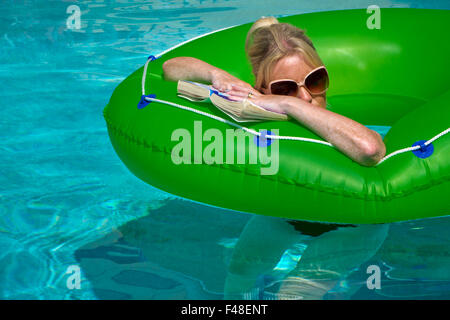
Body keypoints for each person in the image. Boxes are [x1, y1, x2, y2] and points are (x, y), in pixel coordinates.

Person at [163, 17, 386, 166]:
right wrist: (217, 75)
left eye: (315, 80)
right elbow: (169, 67)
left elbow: (370, 150)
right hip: (279, 214)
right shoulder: (252, 100)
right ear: (261, 89)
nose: (306, 97)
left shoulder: (335, 122)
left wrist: (286, 103)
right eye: (285, 88)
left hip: (353, 220)